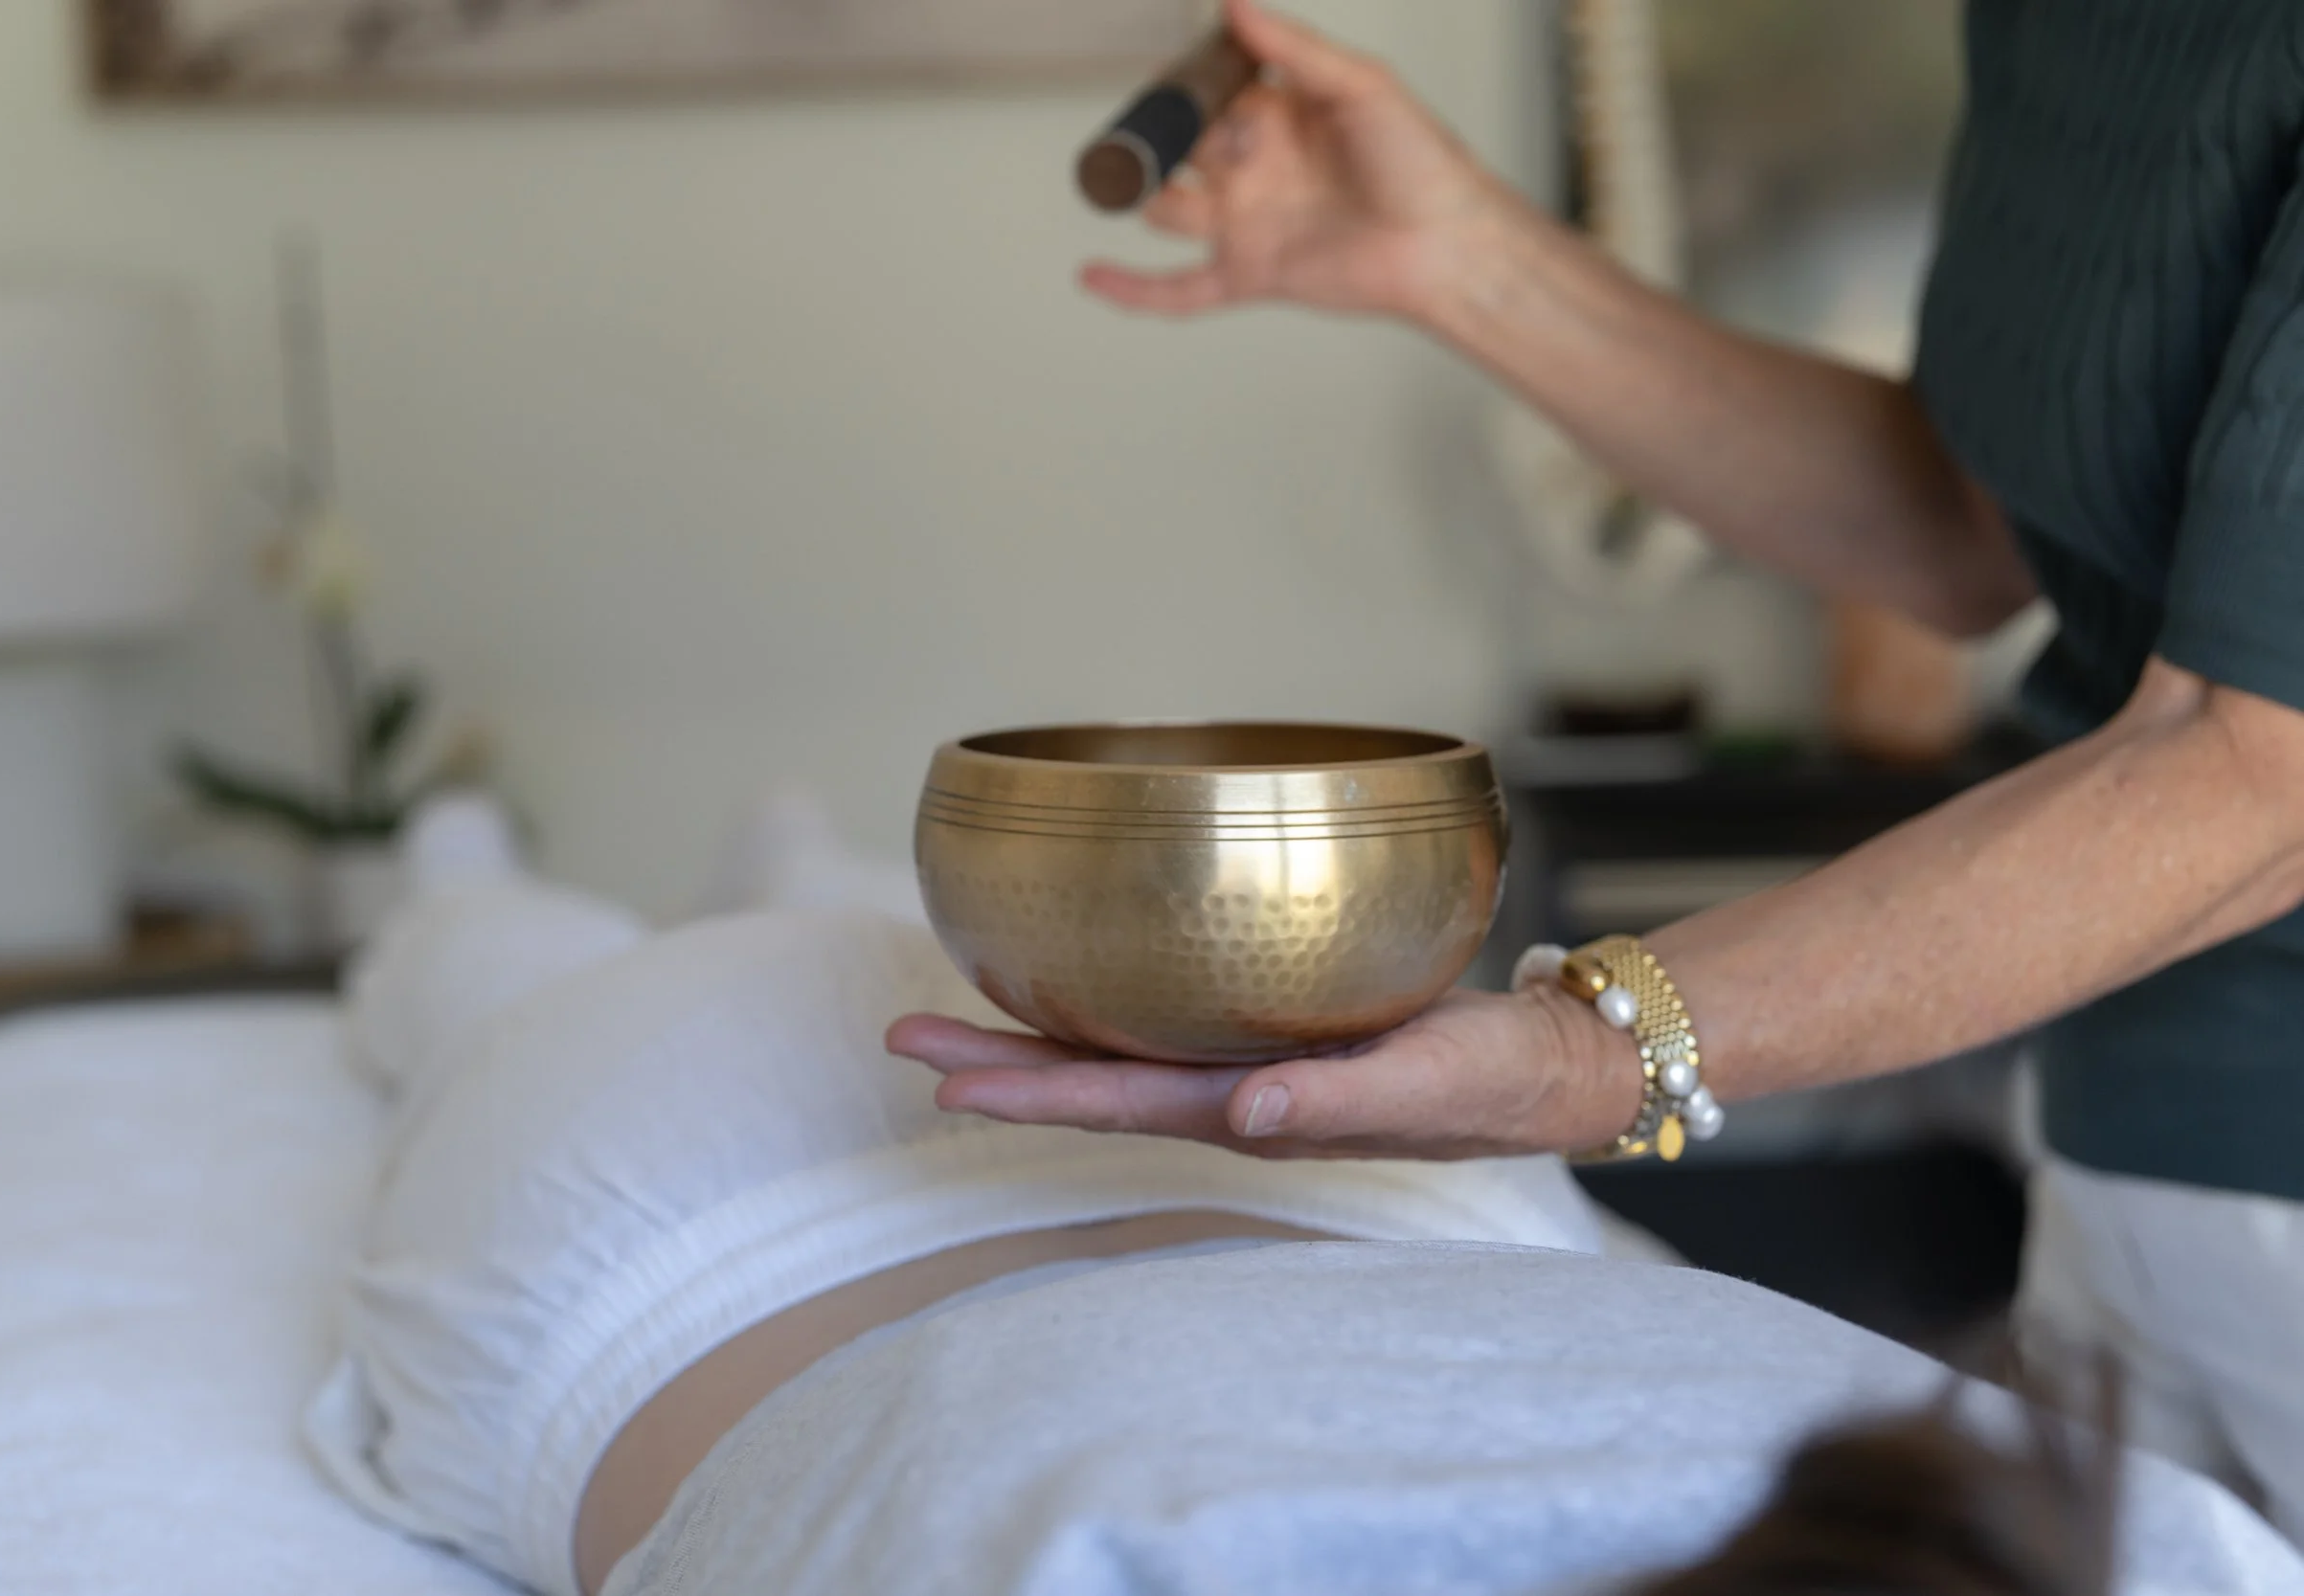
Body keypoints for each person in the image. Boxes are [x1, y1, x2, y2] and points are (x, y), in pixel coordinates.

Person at [887, 0, 2304, 1540]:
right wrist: (1463, 258)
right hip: (2123, 1145)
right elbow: (1952, 529)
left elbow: (2258, 773)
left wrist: (1582, 1057)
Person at [306, 821, 2295, 1596]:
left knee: (523, 959)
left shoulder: (2141, 1550)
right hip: (1360, 1192)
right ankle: (661, 861)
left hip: (692, 1228)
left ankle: (481, 866)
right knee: (682, 951)